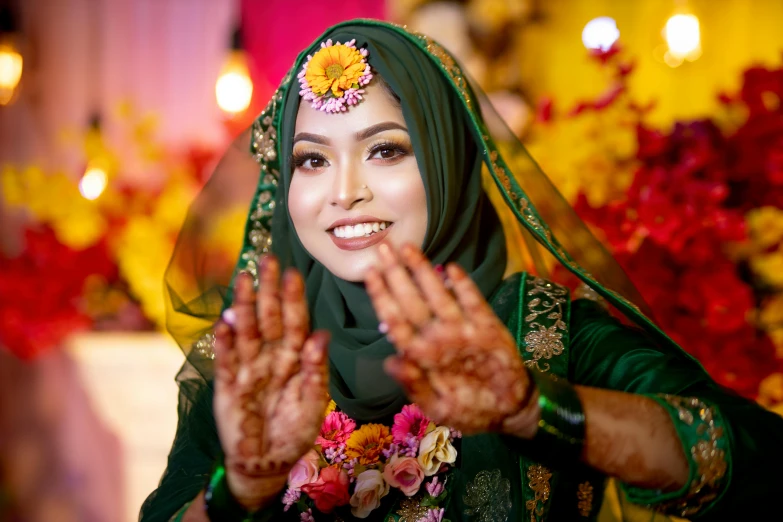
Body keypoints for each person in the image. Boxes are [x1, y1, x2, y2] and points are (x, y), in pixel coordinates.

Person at [141, 20, 783, 522]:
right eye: (311, 160)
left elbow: (757, 463)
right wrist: (242, 486)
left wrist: (536, 410)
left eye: (386, 149)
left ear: (450, 161)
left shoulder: (546, 336)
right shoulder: (260, 365)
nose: (344, 192)